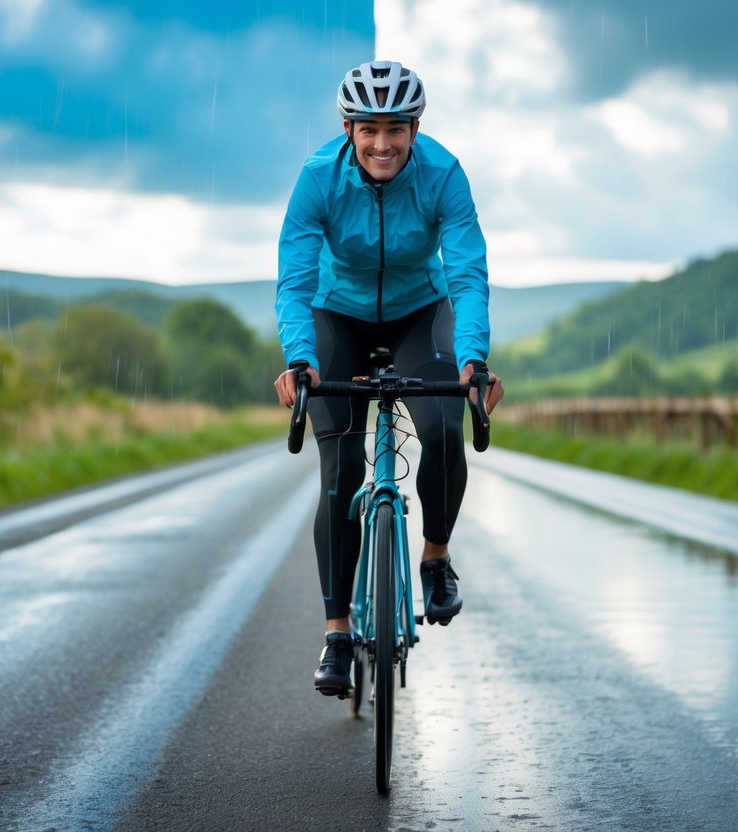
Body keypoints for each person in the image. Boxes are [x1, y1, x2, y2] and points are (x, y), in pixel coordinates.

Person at [273, 60, 504, 697]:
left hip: (419, 314)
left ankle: (434, 555)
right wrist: (301, 358)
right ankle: (339, 633)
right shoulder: (318, 178)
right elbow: (294, 278)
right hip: (334, 314)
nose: (382, 144)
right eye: (369, 129)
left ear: (415, 126)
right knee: (341, 467)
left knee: (444, 426)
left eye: (396, 129)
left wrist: (473, 360)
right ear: (348, 128)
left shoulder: (443, 174)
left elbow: (466, 274)